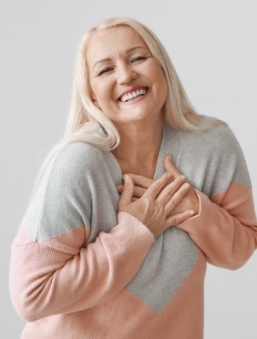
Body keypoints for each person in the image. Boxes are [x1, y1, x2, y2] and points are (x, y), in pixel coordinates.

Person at [10, 17, 257, 339]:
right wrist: (135, 232)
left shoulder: (212, 144)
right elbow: (32, 297)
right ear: (93, 96)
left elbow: (239, 251)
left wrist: (193, 206)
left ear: (163, 68)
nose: (126, 75)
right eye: (105, 70)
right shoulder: (78, 164)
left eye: (138, 58)